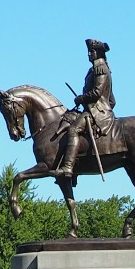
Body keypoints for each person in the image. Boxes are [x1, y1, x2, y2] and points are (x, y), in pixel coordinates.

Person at [51, 39, 117, 180]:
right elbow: (112, 100)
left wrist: (81, 98)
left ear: (98, 53)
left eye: (91, 51)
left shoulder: (100, 68)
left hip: (97, 111)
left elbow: (97, 93)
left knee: (73, 130)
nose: (88, 54)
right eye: (88, 51)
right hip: (96, 109)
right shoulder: (96, 69)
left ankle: (68, 167)